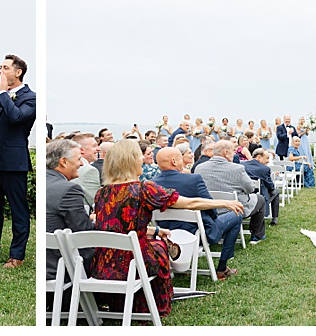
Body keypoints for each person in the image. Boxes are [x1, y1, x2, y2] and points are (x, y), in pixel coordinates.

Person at [89, 140, 243, 317]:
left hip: (104, 263)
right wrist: (224, 202)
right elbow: (190, 203)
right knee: (159, 247)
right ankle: (157, 301)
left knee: (156, 240)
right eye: (139, 157)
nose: (142, 160)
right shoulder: (143, 190)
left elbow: (118, 228)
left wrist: (154, 231)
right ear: (131, 161)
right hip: (134, 262)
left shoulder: (102, 193)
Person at [0, 54, 36, 269]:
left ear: (18, 72)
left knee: (18, 209)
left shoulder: (31, 97)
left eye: (5, 67)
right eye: (0, 67)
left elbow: (17, 117)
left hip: (13, 161)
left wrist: (1, 93)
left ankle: (17, 255)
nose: (1, 71)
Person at [151, 146, 245, 280]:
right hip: (196, 233)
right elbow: (210, 208)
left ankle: (179, 265)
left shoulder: (151, 185)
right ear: (174, 161)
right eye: (180, 158)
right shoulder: (193, 180)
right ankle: (222, 268)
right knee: (236, 216)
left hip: (167, 235)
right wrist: (214, 218)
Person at [44, 139, 93, 283]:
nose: (82, 164)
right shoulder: (69, 189)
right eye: (79, 159)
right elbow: (84, 234)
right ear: (63, 162)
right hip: (59, 269)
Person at [243, 148, 281, 225]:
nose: (268, 161)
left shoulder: (242, 165)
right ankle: (274, 218)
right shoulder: (264, 169)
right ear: (259, 157)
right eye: (267, 158)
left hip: (243, 195)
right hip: (259, 197)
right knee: (275, 192)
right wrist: (272, 189)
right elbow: (271, 186)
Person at [72, 133, 101, 211]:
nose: (99, 149)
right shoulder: (89, 171)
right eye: (94, 146)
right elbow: (97, 201)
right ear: (81, 150)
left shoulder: (71, 166)